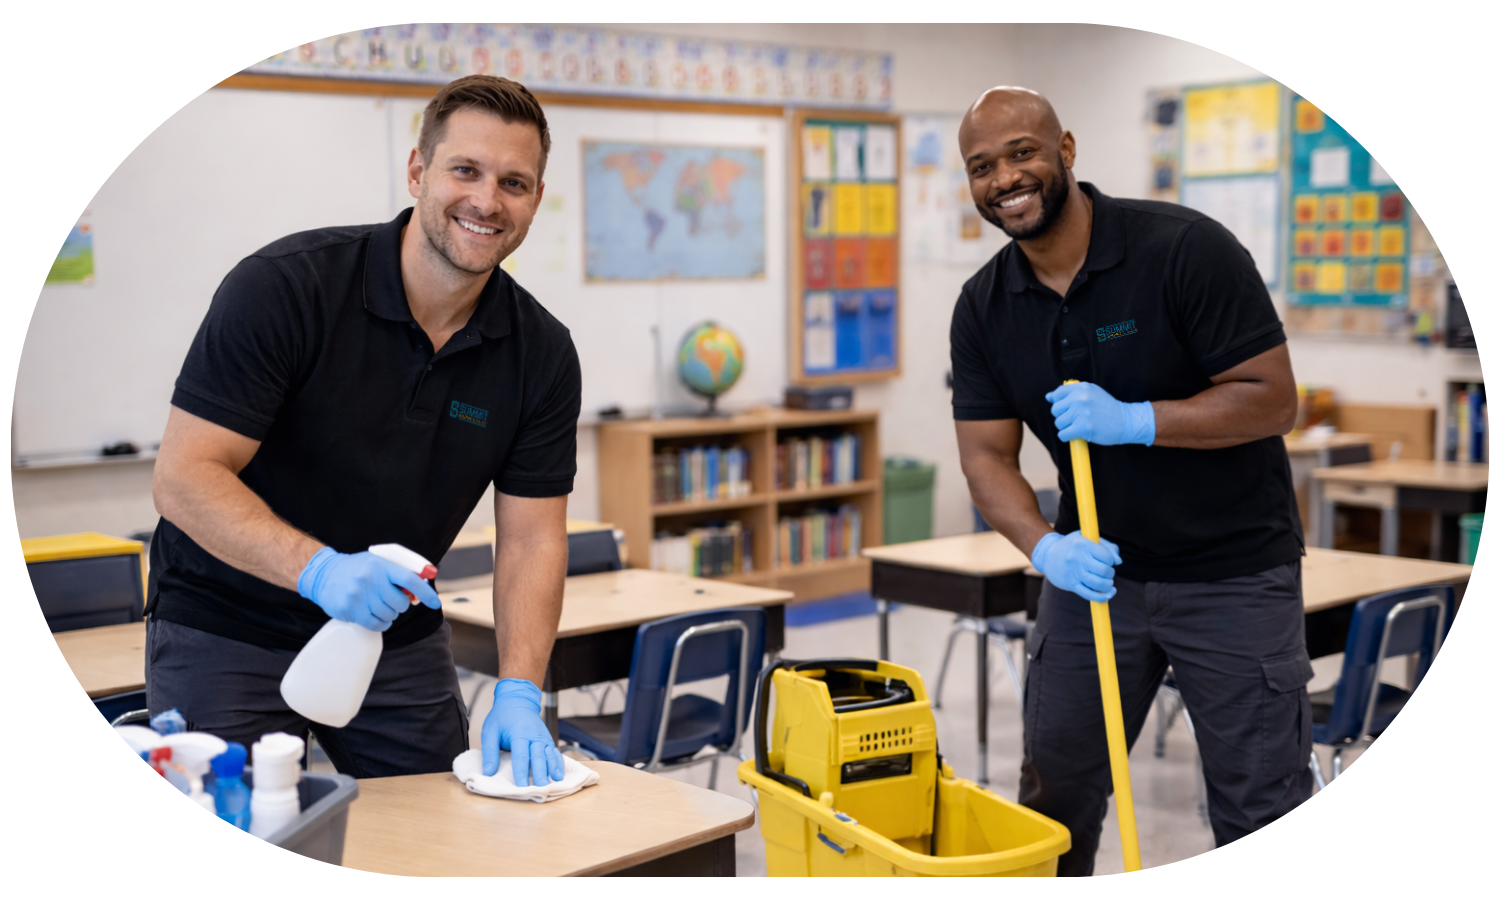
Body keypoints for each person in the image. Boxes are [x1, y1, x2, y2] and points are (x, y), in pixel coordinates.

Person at [146, 75, 579, 788]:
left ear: (535, 199)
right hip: (226, 626)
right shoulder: (286, 289)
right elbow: (184, 477)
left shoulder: (542, 353)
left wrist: (519, 688)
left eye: (515, 182)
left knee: (447, 842)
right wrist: (319, 570)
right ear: (417, 170)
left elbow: (533, 536)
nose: (487, 200)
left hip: (393, 642)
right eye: (465, 170)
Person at [950, 87, 1310, 875]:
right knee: (1052, 803)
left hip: (1233, 577)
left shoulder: (1183, 249)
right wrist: (1045, 550)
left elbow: (1273, 399)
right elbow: (986, 456)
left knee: (1260, 802)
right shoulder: (984, 306)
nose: (1004, 177)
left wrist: (1139, 419)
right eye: (982, 166)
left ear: (1066, 150)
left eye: (1021, 153)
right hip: (1095, 579)